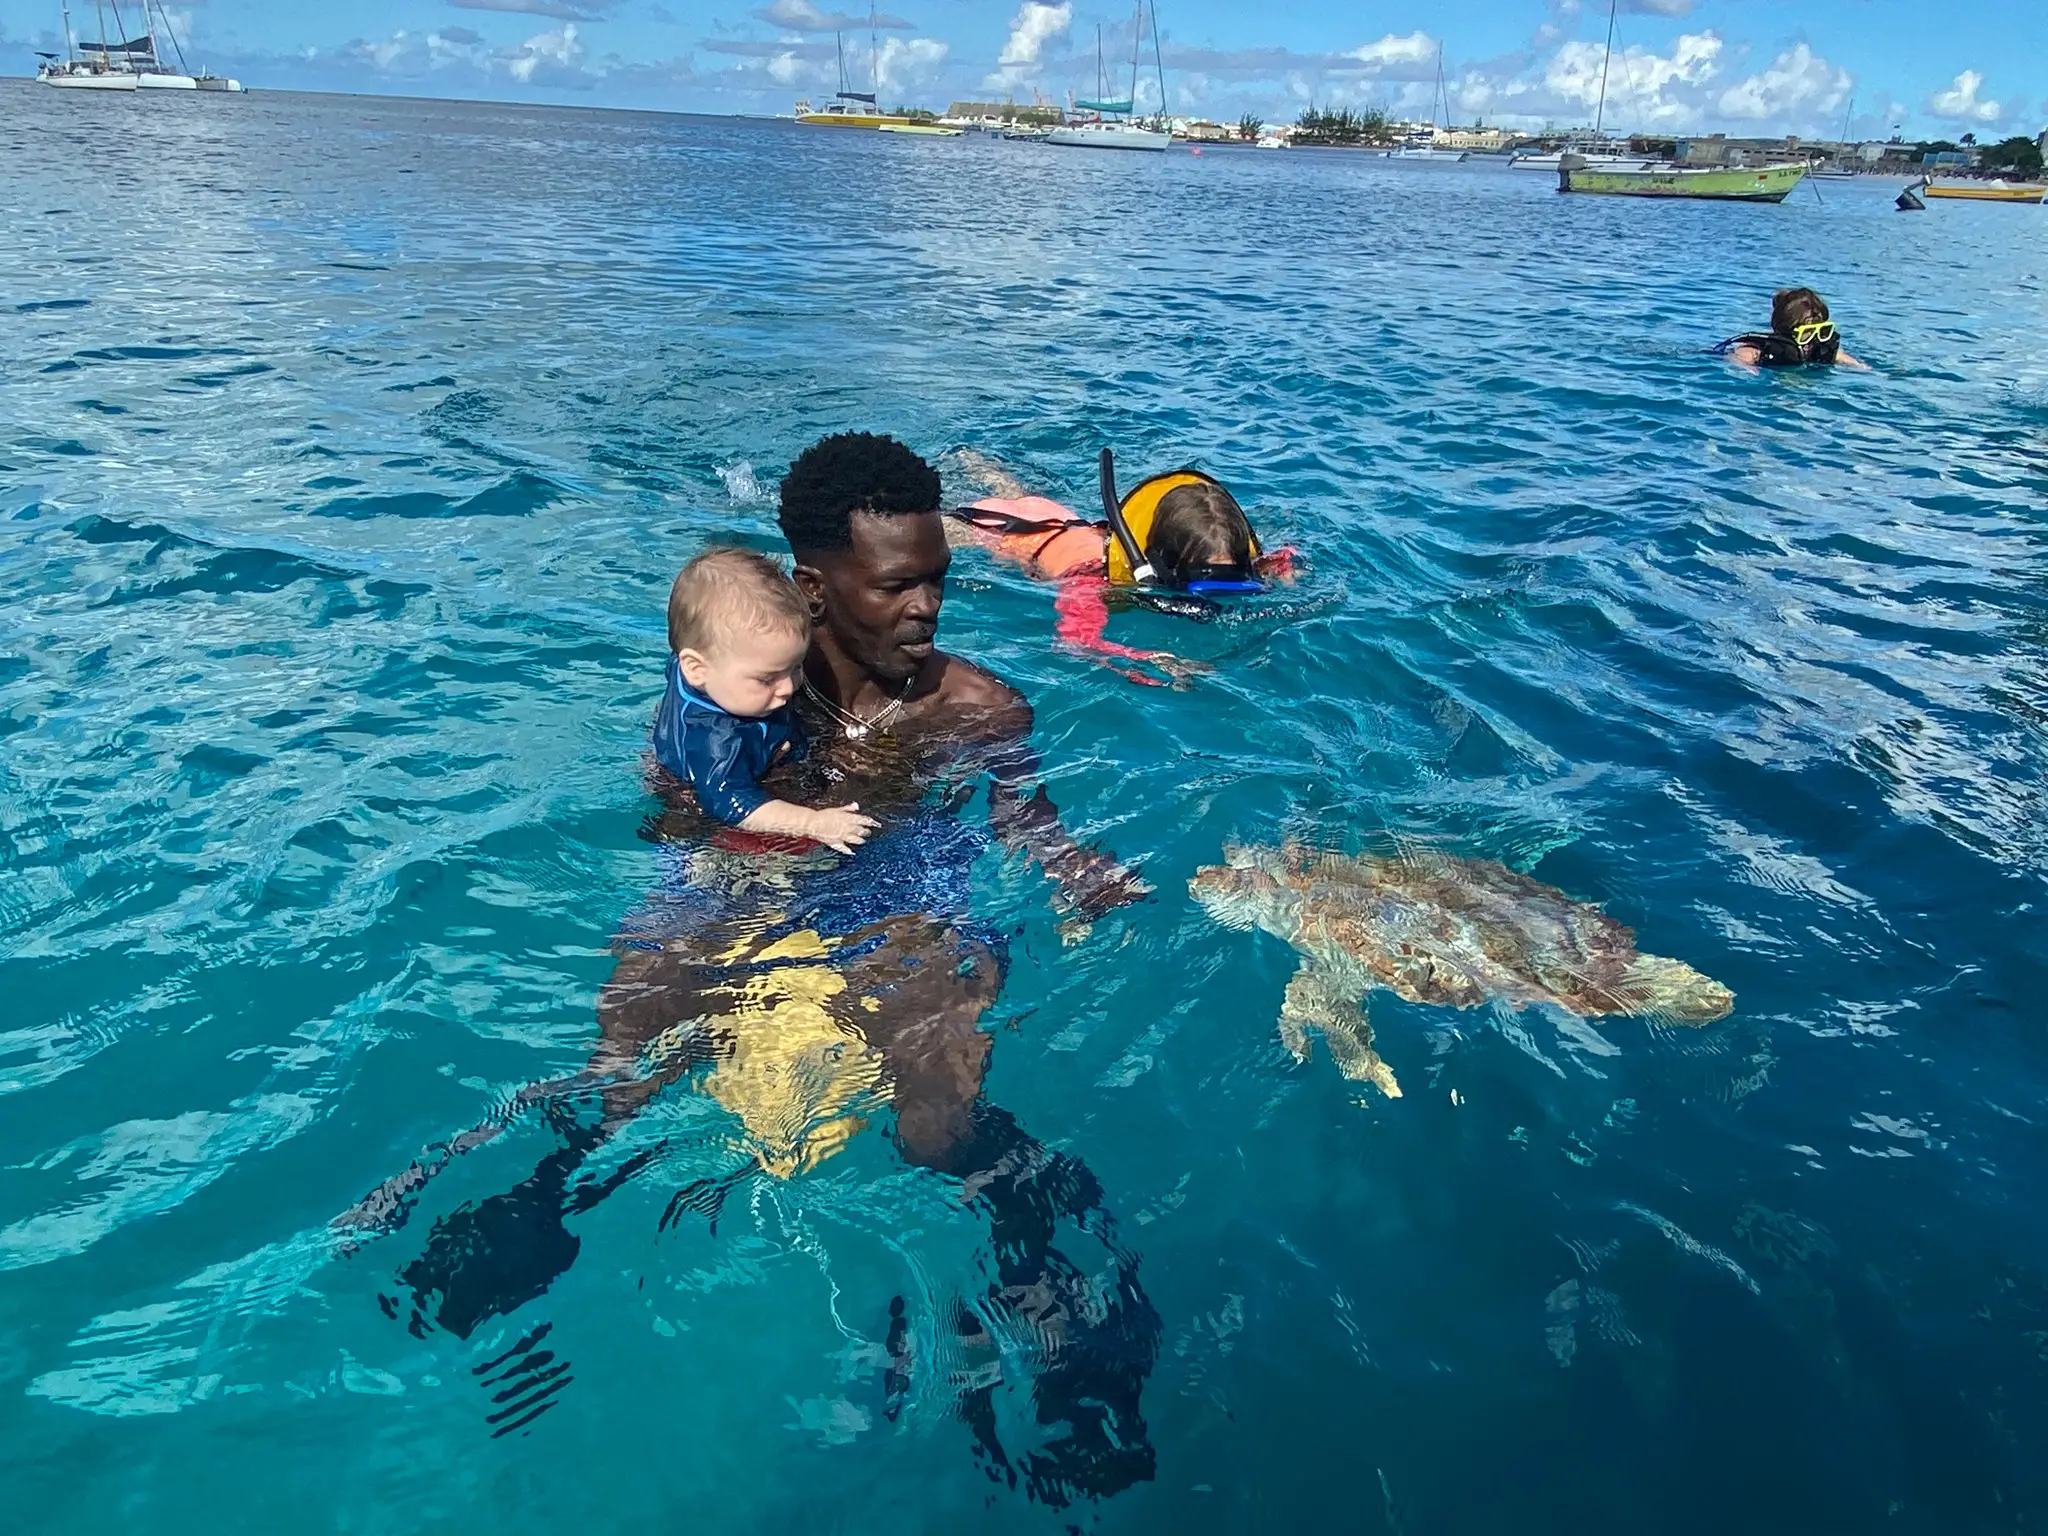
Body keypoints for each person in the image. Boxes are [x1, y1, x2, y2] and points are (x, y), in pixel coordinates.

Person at [339, 433, 1159, 1504]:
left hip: (902, 898)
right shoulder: (740, 693)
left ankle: (1044, 1300)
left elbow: (1028, 823)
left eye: (937, 580)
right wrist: (739, 864)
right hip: (743, 887)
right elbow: (666, 816)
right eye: (897, 583)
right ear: (814, 590)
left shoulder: (982, 709)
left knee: (937, 1121)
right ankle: (527, 1200)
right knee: (625, 1068)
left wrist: (1073, 869)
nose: (926, 606)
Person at [943, 447, 1297, 686]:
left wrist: (1285, 571)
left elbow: (1277, 558)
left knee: (1013, 490)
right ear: (1163, 566)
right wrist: (1147, 658)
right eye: (1203, 583)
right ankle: (971, 463)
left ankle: (979, 464)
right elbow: (1075, 643)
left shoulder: (1223, 554)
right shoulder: (1090, 581)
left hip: (1057, 516)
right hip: (995, 531)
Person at [654, 545, 874, 853]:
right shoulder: (714, 737)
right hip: (701, 812)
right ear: (696, 668)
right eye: (767, 678)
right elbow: (731, 802)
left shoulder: (704, 671)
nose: (787, 688)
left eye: (795, 667)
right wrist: (813, 823)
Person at [1716, 286, 1868, 370]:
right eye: (1807, 333)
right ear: (1786, 331)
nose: (1814, 340)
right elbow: (1740, 354)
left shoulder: (1816, 348)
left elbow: (1841, 357)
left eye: (1822, 332)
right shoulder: (1761, 348)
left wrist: (1862, 367)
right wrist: (1746, 367)